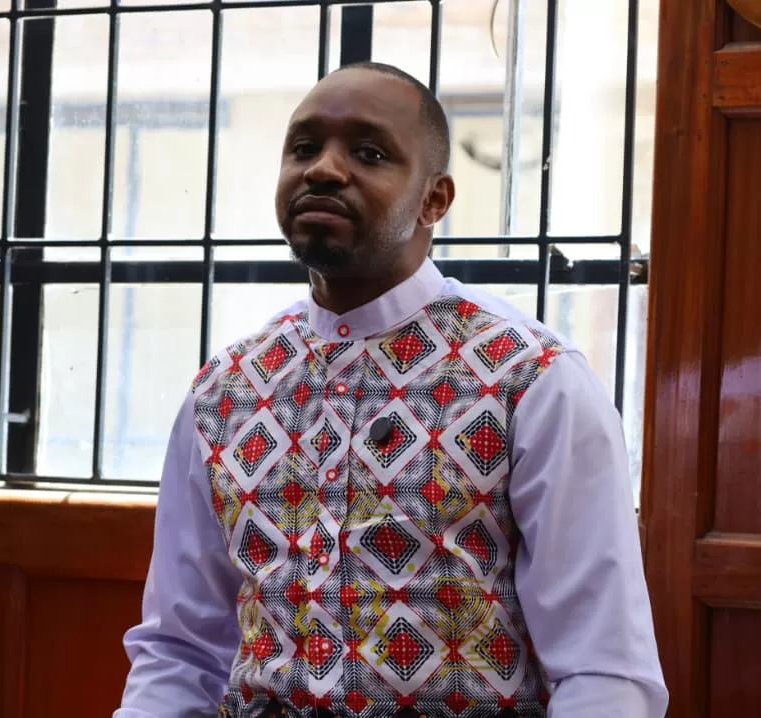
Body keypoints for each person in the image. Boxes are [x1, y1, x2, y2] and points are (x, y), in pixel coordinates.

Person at [115, 61, 667, 718]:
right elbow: (182, 650)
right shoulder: (226, 393)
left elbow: (605, 667)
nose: (323, 168)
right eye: (303, 147)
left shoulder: (528, 379)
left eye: (369, 153)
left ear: (434, 199)